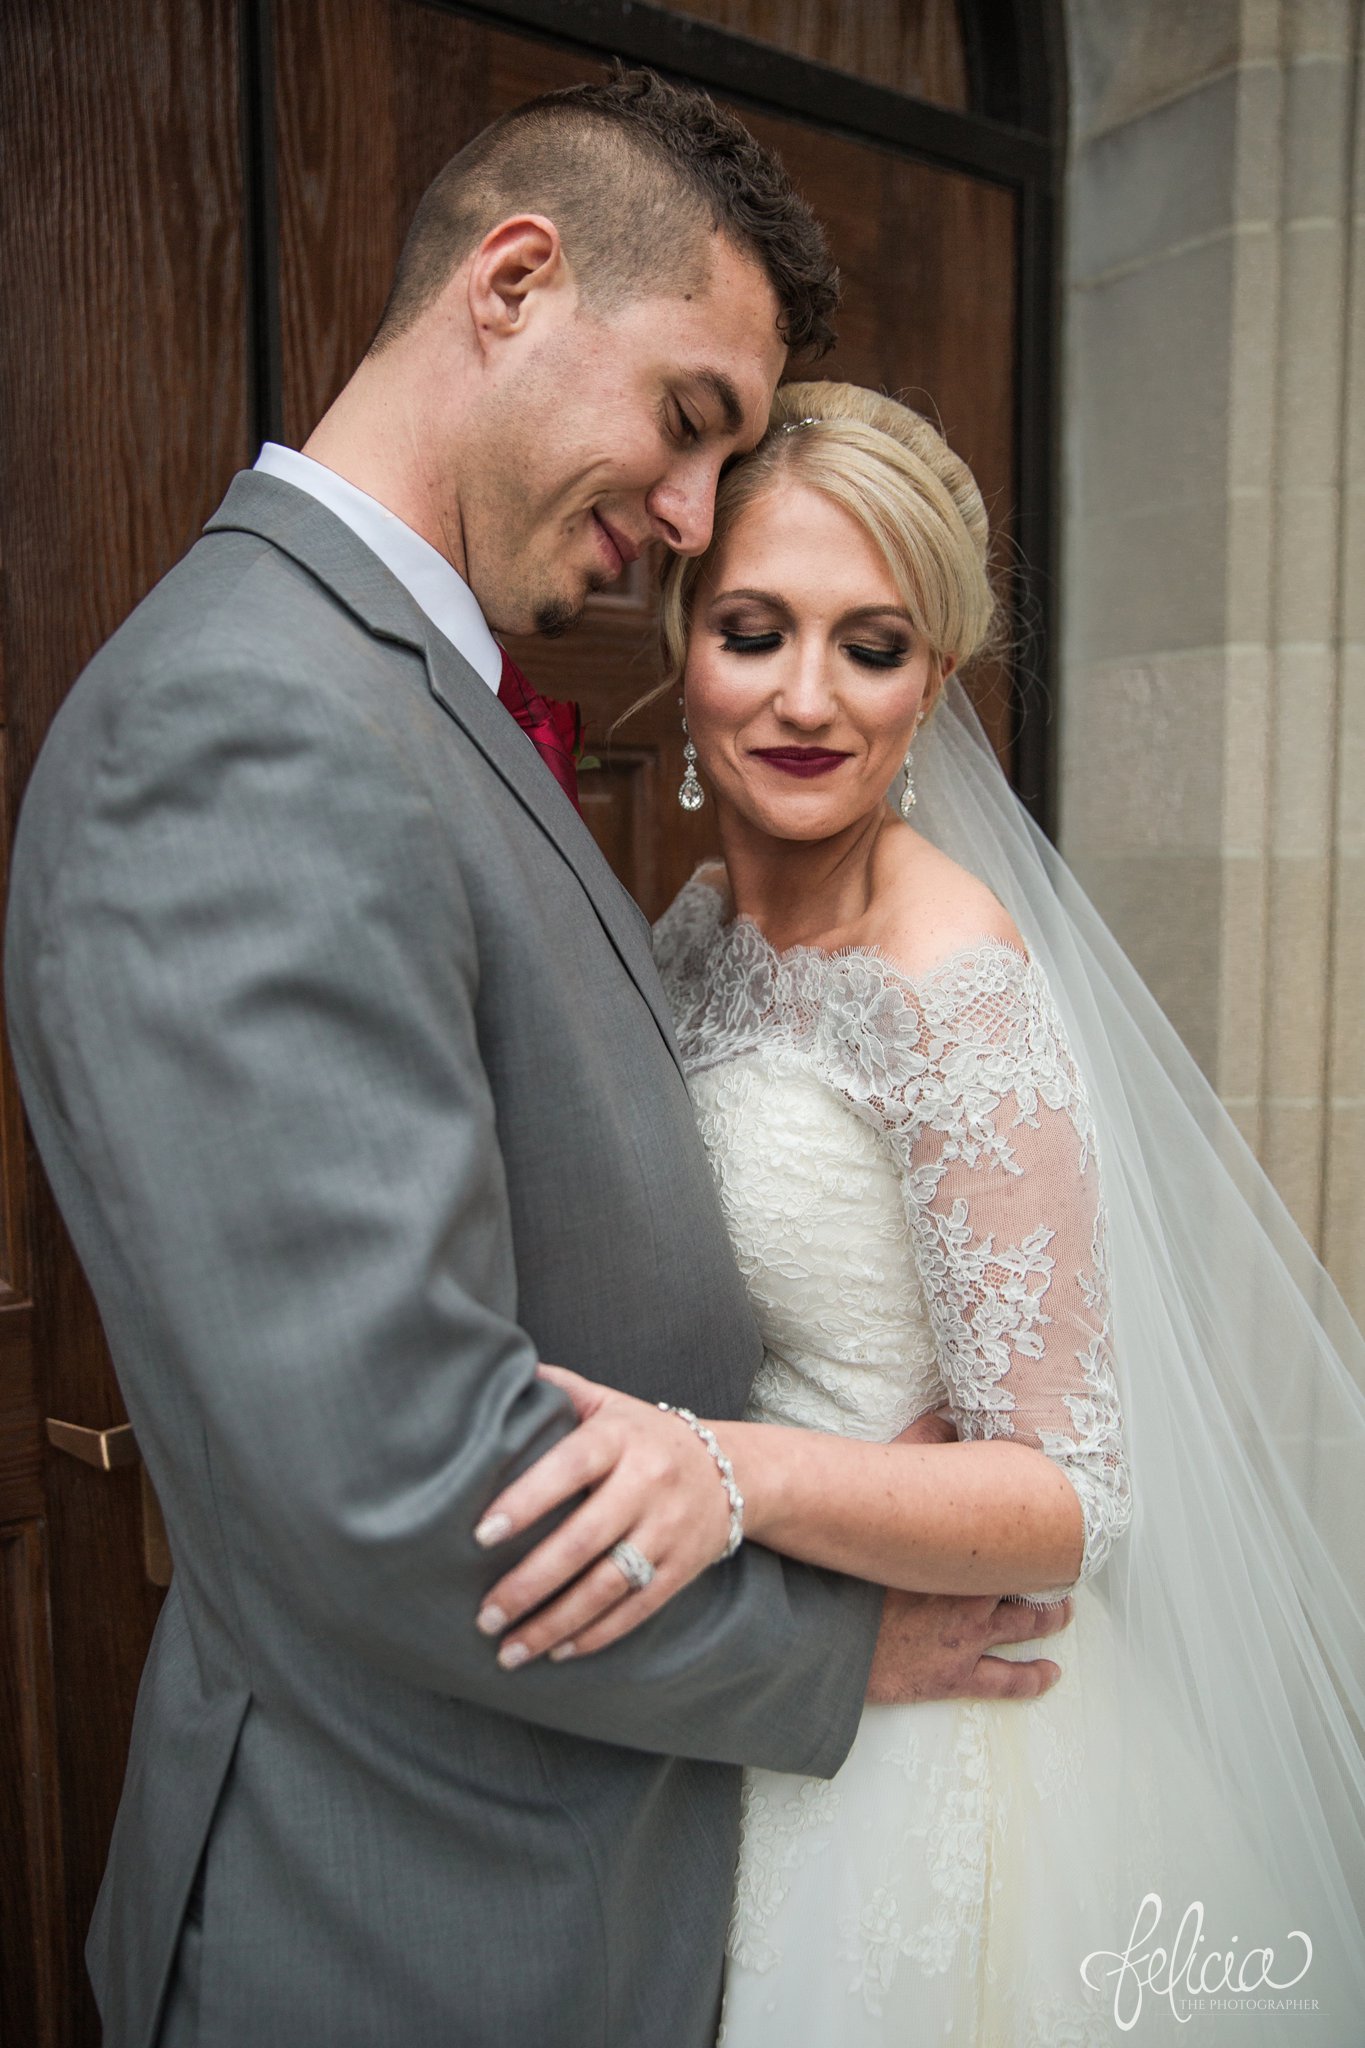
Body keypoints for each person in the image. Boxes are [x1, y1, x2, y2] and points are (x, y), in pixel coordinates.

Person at [3, 73, 1074, 2048]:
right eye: (685, 423)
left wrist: (816, 1456)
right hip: (409, 1915)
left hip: (572, 1861)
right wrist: (845, 1638)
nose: (682, 516)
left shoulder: (399, 686)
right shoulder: (248, 723)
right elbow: (397, 1466)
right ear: (515, 280)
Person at [474, 382, 1365, 2041]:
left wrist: (726, 1473)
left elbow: (1074, 1494)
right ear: (682, 644)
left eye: (870, 647)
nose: (806, 697)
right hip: (751, 1676)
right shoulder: (688, 932)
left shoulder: (948, 979)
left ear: (930, 684)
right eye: (754, 630)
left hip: (926, 1735)